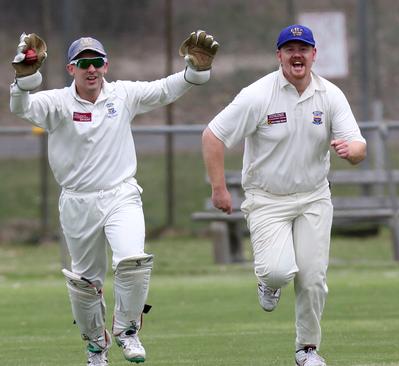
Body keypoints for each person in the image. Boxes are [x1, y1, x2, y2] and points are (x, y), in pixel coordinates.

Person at [10, 30, 219, 365]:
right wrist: (23, 79)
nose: (91, 69)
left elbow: (164, 89)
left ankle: (128, 330)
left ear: (106, 66)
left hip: (121, 194)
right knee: (84, 283)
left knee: (132, 260)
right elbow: (21, 108)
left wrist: (194, 71)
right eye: (84, 64)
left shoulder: (122, 95)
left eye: (97, 63)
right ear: (71, 69)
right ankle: (96, 346)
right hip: (77, 201)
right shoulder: (56, 103)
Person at [202, 24, 366, 366]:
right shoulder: (258, 95)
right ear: (279, 56)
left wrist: (351, 152)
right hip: (266, 198)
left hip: (313, 196)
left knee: (312, 277)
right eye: (289, 49)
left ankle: (307, 350)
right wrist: (219, 188)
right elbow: (213, 136)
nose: (297, 55)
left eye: (303, 49)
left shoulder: (330, 95)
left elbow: (359, 146)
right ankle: (269, 282)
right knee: (278, 271)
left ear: (314, 54)